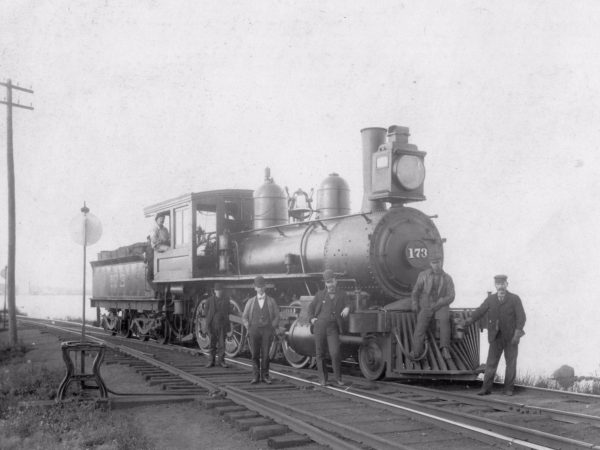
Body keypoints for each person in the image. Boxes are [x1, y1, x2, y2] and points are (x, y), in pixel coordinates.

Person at [464, 274, 526, 396]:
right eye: (498, 284)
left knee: (511, 364)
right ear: (495, 285)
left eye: (503, 284)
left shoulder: (515, 299)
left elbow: (522, 318)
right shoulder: (491, 299)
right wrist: (467, 321)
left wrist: (517, 334)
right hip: (495, 337)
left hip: (511, 338)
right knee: (491, 363)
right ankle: (485, 389)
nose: (501, 286)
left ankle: (508, 389)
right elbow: (480, 311)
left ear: (507, 284)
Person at [308, 269, 352, 387]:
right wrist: (312, 319)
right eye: (328, 282)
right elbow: (310, 308)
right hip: (319, 326)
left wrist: (347, 308)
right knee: (320, 353)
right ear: (325, 284)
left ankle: (338, 378)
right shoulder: (320, 294)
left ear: (335, 281)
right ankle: (323, 379)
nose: (330, 285)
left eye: (332, 282)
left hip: (333, 328)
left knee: (335, 352)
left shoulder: (342, 294)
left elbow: (349, 303)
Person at [410, 254, 455, 360]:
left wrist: (441, 302)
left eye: (438, 263)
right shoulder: (423, 275)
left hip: (441, 305)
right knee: (420, 325)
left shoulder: (447, 278)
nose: (436, 265)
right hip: (426, 305)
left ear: (441, 263)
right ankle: (416, 351)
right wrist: (414, 303)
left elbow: (451, 295)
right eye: (434, 263)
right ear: (430, 264)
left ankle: (445, 348)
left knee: (445, 320)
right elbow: (416, 291)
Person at [242, 276, 280, 384]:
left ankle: (265, 376)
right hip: (254, 330)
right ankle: (255, 376)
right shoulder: (250, 302)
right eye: (258, 287)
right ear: (255, 288)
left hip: (267, 330)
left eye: (262, 287)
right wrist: (248, 326)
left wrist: (272, 326)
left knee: (266, 354)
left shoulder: (271, 301)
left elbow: (277, 316)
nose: (261, 289)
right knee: (254, 354)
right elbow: (244, 317)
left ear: (265, 287)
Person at [204, 282, 233, 368]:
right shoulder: (209, 300)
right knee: (212, 344)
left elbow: (229, 311)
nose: (219, 292)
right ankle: (211, 361)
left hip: (222, 325)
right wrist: (209, 321)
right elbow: (206, 312)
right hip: (212, 325)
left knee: (222, 344)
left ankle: (221, 361)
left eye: (220, 290)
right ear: (214, 291)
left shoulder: (226, 300)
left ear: (222, 291)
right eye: (217, 290)